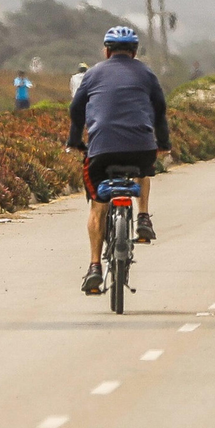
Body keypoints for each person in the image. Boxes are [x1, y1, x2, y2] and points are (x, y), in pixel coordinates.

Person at [67, 26, 170, 295]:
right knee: (144, 168)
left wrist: (75, 141)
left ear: (106, 50)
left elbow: (76, 109)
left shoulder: (93, 73)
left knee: (97, 206)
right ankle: (144, 217)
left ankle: (94, 268)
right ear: (135, 52)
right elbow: (159, 110)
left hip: (101, 149)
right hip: (142, 149)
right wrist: (163, 143)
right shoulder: (147, 73)